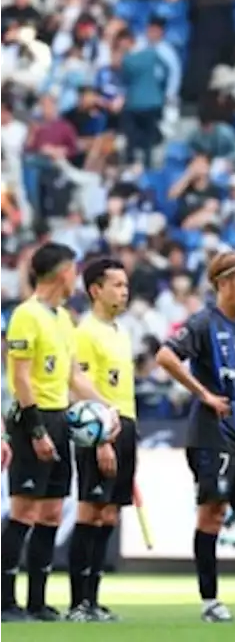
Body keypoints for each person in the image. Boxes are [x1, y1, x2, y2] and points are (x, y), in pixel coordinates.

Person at [155, 251, 235, 622]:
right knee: (212, 514)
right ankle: (210, 601)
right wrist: (204, 395)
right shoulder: (201, 323)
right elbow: (165, 356)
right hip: (210, 434)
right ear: (223, 283)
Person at [0, 242, 105, 622]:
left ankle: (37, 601)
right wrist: (36, 429)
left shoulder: (63, 317)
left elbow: (74, 375)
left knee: (51, 512)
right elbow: (21, 378)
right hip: (33, 418)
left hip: (61, 417)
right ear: (63, 272)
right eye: (74, 269)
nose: (76, 275)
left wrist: (108, 409)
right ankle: (4, 601)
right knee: (24, 510)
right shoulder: (25, 315)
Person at [67, 258, 137, 622]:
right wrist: (101, 439)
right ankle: (78, 602)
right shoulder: (85, 332)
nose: (124, 291)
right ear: (96, 289)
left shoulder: (120, 331)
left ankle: (93, 600)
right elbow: (80, 389)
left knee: (109, 513)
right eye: (117, 285)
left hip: (126, 424)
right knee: (90, 511)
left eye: (126, 285)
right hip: (100, 429)